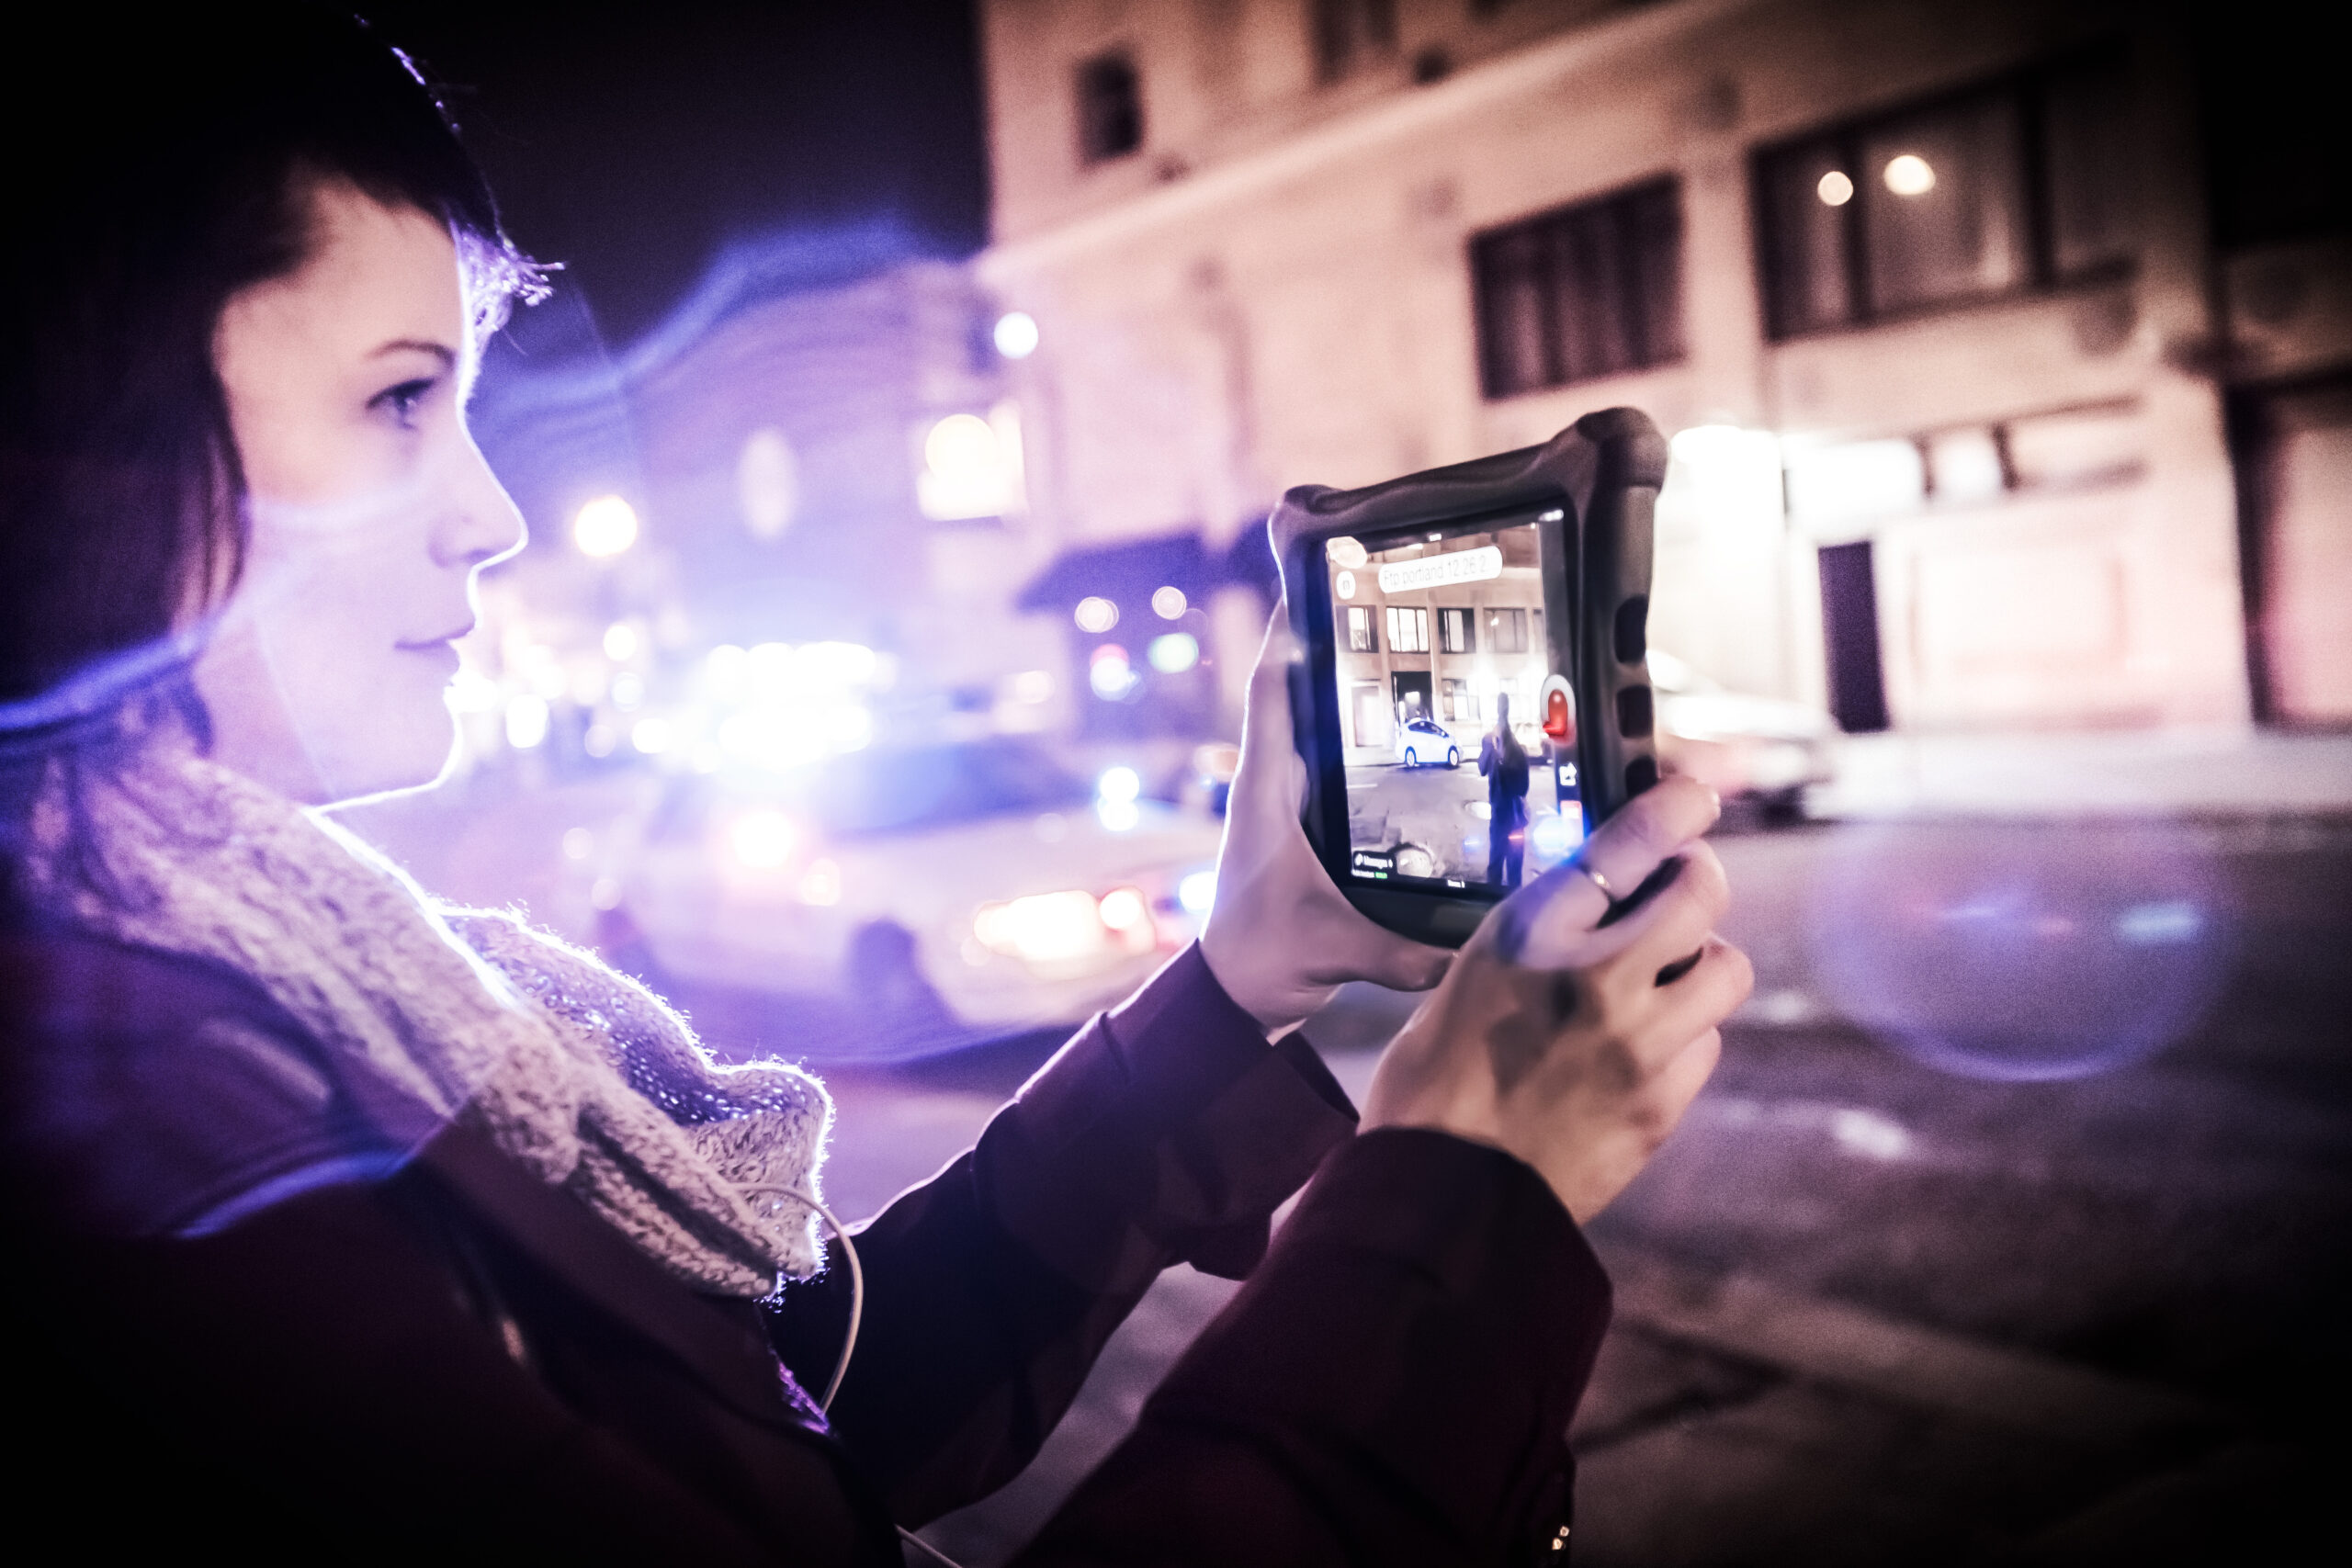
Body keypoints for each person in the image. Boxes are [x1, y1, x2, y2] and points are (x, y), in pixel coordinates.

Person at [0, 10, 1751, 1562]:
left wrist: (1228, 983)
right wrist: (1463, 1197)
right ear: (80, 429)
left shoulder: (244, 973)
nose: (494, 515)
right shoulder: (145, 1132)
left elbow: (814, 1418)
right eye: (398, 399)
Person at [1481, 692, 1533, 888]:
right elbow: (1481, 768)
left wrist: (1501, 763)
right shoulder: (1494, 748)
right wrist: (1490, 749)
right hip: (1506, 819)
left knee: (1508, 870)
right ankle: (1501, 904)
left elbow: (1522, 787)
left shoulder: (1515, 752)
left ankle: (1505, 905)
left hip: (1510, 819)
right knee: (1499, 868)